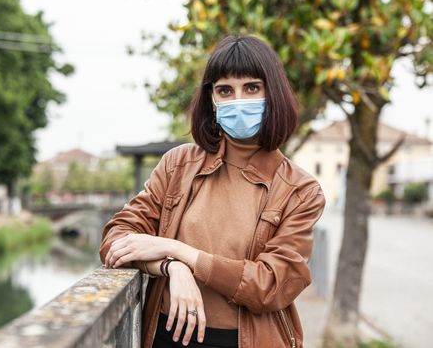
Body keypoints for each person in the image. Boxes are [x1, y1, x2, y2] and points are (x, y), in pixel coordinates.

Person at [100, 35, 325, 348]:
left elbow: (272, 285)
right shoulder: (177, 165)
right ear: (212, 99)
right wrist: (171, 266)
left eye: (251, 88)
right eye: (225, 90)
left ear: (272, 93)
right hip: (166, 336)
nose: (237, 100)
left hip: (249, 341)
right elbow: (117, 239)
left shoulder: (300, 190)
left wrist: (183, 253)